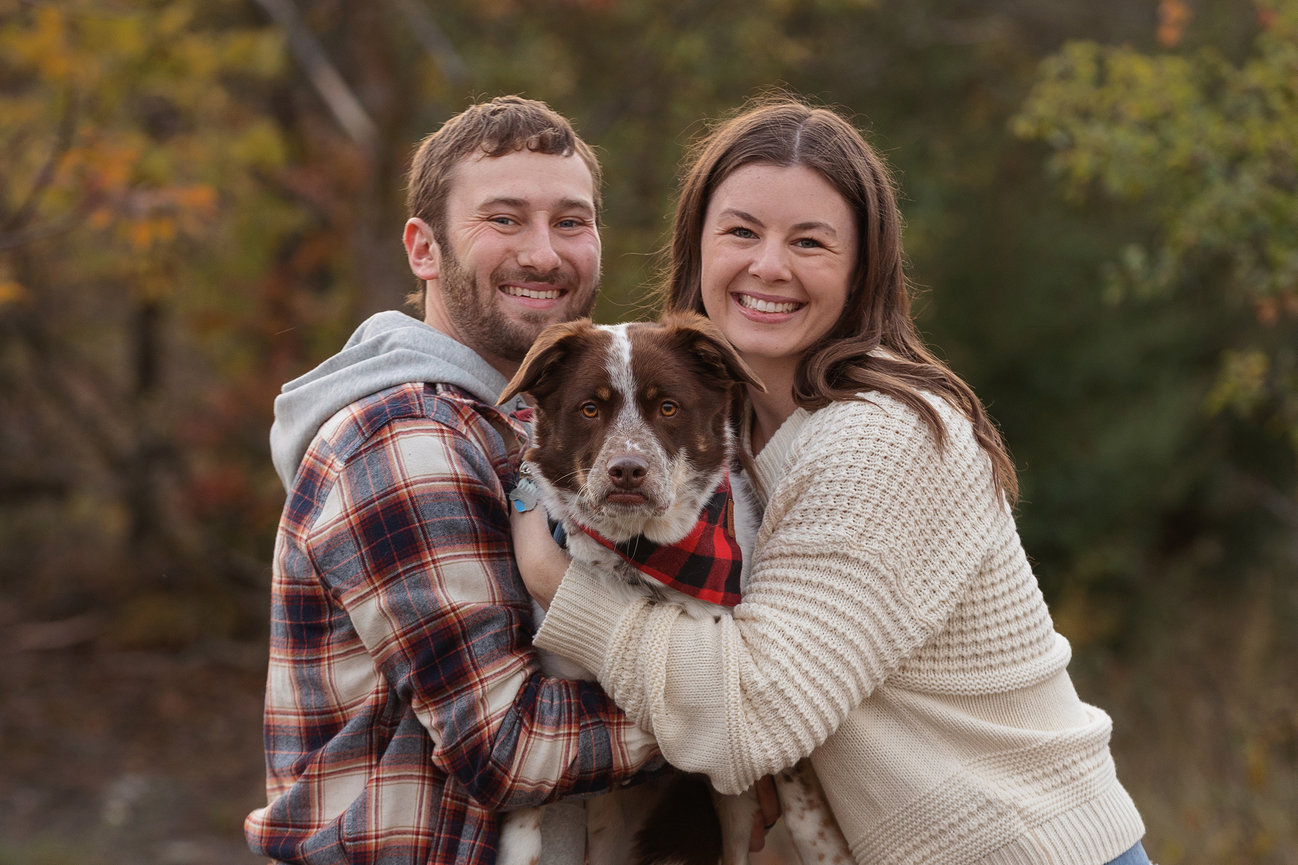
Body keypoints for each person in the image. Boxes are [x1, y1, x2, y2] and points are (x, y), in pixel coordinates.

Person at [513, 97, 1152, 865]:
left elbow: (757, 717)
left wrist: (555, 579)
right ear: (697, 247)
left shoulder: (883, 435)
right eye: (742, 232)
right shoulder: (721, 438)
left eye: (809, 241)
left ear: (861, 269)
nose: (769, 266)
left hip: (1025, 845)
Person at [245, 95, 666, 865]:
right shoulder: (406, 436)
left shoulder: (535, 431)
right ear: (424, 248)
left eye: (570, 221)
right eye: (504, 219)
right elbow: (510, 745)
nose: (543, 253)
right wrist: (742, 708)